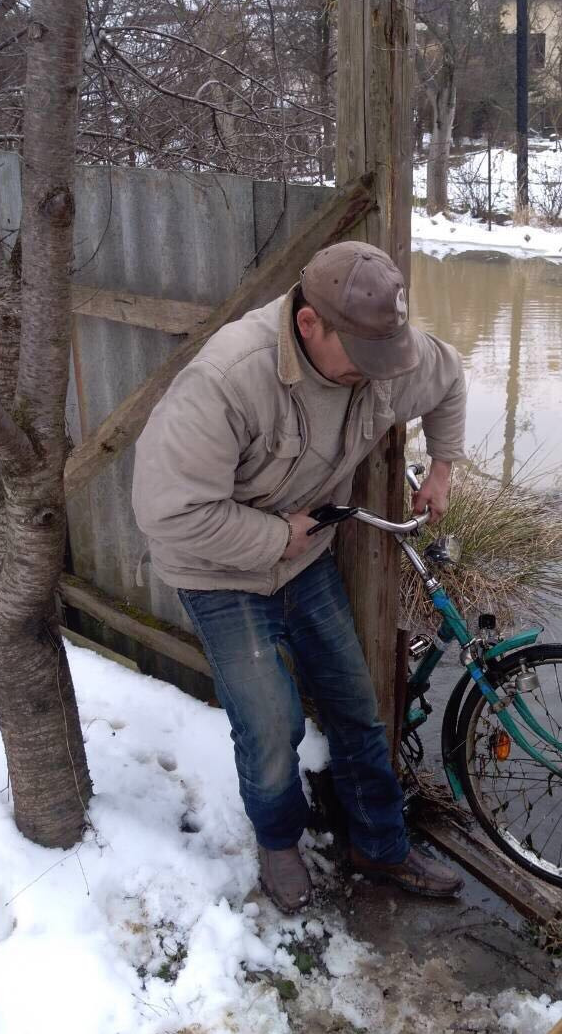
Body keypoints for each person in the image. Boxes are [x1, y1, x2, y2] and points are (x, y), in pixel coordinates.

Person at [132, 240, 466, 913]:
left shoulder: (385, 354)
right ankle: (278, 843)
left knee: (355, 706)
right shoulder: (230, 378)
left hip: (306, 561)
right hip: (216, 569)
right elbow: (166, 514)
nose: (377, 376)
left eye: (386, 358)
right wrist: (275, 536)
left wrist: (444, 466)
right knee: (271, 725)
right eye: (362, 361)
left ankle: (379, 841)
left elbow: (449, 376)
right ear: (310, 324)